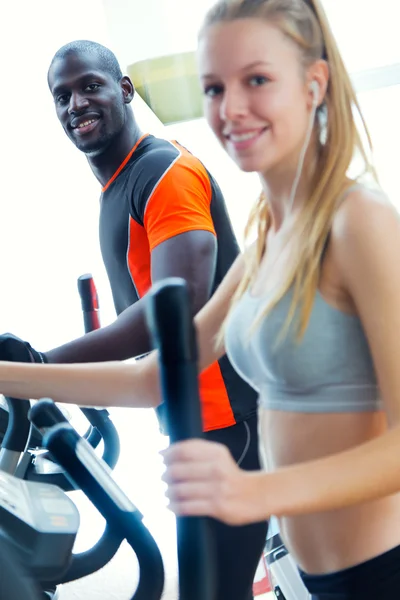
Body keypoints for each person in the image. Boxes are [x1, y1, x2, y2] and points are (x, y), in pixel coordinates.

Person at [0, 0, 398, 598]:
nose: (230, 109)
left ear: (314, 84)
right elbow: (159, 378)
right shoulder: (273, 234)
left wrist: (254, 491)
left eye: (256, 80)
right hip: (325, 578)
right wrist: (15, 374)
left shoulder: (357, 221)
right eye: (214, 88)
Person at [0, 40, 267, 600]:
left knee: (216, 588)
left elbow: (176, 306)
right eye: (62, 96)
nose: (76, 103)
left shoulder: (162, 171)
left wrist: (42, 363)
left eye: (89, 86)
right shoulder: (118, 186)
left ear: (123, 91)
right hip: (194, 419)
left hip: (234, 420)